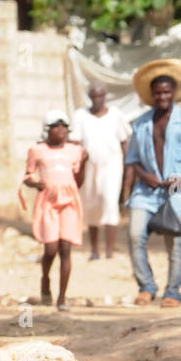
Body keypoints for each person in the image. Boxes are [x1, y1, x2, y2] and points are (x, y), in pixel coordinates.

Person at [123, 59, 181, 308]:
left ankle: (172, 292)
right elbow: (132, 160)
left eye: (166, 91)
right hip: (145, 190)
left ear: (173, 93)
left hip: (176, 190)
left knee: (174, 240)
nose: (162, 96)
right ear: (151, 95)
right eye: (157, 92)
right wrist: (146, 177)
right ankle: (146, 287)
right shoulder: (141, 123)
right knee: (134, 235)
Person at [20, 110, 87, 311]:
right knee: (51, 249)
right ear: (47, 130)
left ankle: (62, 298)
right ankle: (45, 279)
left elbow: (78, 181)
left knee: (66, 248)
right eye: (56, 127)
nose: (60, 130)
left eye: (64, 126)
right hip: (48, 201)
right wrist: (35, 184)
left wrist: (84, 162)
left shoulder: (74, 151)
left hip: (69, 201)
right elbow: (28, 175)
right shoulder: (37, 150)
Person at [70, 83, 132, 260]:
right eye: (94, 96)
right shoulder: (81, 116)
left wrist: (129, 167)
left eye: (100, 96)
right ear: (90, 97)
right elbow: (75, 143)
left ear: (105, 97)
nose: (97, 100)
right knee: (91, 205)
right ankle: (95, 250)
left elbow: (124, 141)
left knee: (109, 201)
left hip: (112, 166)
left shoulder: (116, 116)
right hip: (88, 167)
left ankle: (110, 251)